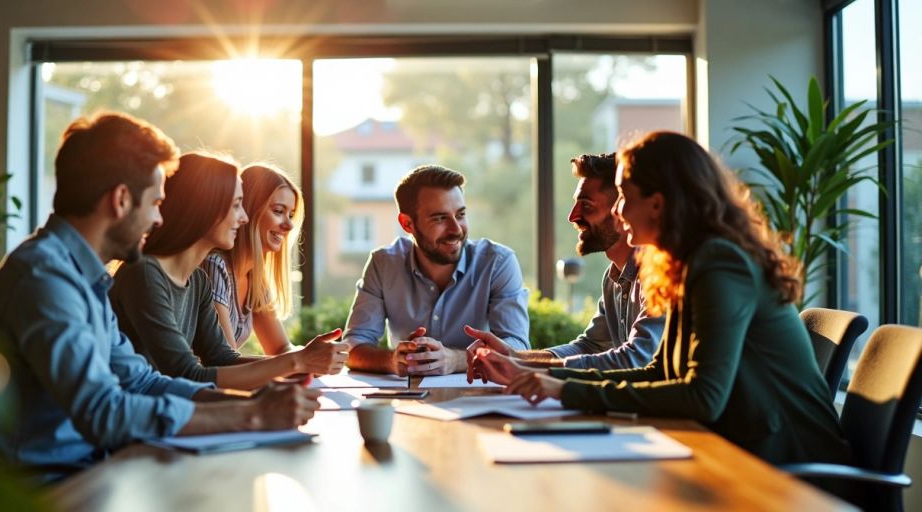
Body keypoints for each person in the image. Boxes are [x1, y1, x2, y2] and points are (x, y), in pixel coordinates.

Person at [0, 113, 319, 481]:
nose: (158, 220)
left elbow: (143, 382)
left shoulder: (82, 277)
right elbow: (104, 412)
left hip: (95, 471)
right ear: (121, 200)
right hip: (48, 490)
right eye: (154, 203)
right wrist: (254, 416)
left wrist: (253, 403)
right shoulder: (44, 278)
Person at [475, 131, 851, 466]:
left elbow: (703, 396)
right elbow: (660, 372)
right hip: (741, 450)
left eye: (623, 196)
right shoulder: (686, 264)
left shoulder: (720, 262)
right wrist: (545, 375)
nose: (619, 212)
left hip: (790, 469)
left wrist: (563, 388)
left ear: (657, 203)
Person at [110, 153, 349, 390]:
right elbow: (186, 373)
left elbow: (223, 359)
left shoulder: (198, 280)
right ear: (205, 208)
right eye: (236, 206)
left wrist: (300, 363)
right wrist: (297, 362)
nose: (243, 217)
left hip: (170, 411)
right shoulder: (144, 274)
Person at [464, 153, 663, 379]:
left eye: (586, 206)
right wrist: (514, 357)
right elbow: (589, 346)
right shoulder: (613, 278)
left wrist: (528, 370)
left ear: (622, 210)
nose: (572, 216)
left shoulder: (658, 275)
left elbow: (637, 359)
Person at [343, 164, 530, 376]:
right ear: (407, 224)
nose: (456, 230)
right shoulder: (384, 264)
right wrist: (393, 361)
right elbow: (353, 346)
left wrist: (456, 360)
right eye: (440, 218)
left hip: (477, 396)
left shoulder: (497, 262)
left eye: (460, 215)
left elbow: (517, 347)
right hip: (409, 400)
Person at [199, 164, 305, 355]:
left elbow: (280, 348)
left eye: (291, 214)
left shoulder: (255, 276)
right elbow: (227, 361)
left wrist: (307, 355)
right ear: (249, 212)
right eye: (279, 211)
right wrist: (298, 361)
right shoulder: (215, 265)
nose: (289, 225)